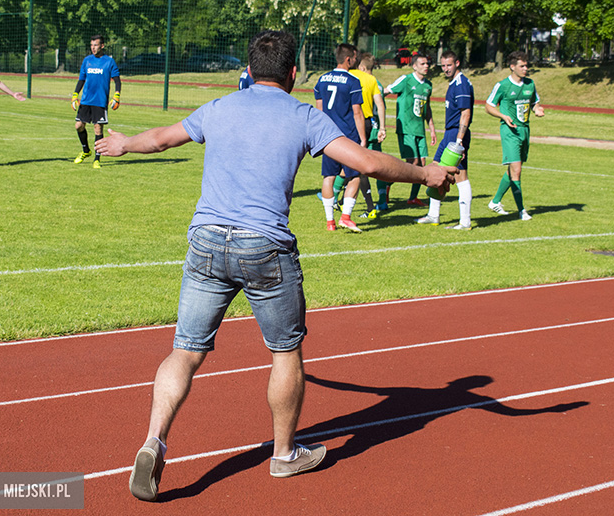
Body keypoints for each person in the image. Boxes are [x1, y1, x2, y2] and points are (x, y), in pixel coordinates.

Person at [94, 29, 456, 502]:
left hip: (206, 242)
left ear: (248, 70)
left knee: (185, 350)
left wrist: (123, 144)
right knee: (285, 353)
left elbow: (162, 139)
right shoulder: (307, 115)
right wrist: (425, 173)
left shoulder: (221, 107)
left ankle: (154, 439)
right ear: (291, 74)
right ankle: (284, 455)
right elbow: (366, 164)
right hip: (264, 248)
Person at [418, 50, 474, 229]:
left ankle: (465, 221)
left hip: (456, 135)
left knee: (461, 176)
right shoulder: (453, 84)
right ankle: (433, 214)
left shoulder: (461, 84)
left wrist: (459, 141)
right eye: (443, 66)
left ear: (457, 63)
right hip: (448, 134)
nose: (446, 69)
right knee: (435, 169)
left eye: (449, 65)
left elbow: (466, 113)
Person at [314, 43, 367, 232]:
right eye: (354, 57)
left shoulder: (321, 79)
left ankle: (330, 222)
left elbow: (319, 110)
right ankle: (346, 216)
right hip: (347, 136)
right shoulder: (352, 81)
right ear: (348, 59)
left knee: (328, 176)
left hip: (328, 135)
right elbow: (357, 112)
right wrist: (363, 139)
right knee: (355, 176)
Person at [484, 51, 544, 221]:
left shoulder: (530, 85)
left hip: (525, 131)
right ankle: (522, 211)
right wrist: (502, 116)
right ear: (512, 67)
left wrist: (537, 109)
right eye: (522, 66)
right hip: (510, 132)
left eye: (527, 66)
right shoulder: (502, 86)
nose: (526, 69)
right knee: (516, 171)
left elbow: (535, 102)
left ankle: (495, 202)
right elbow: (488, 106)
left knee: (515, 169)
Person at [384, 53, 437, 207]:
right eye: (422, 63)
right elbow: (386, 91)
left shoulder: (428, 85)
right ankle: (387, 184)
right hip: (406, 129)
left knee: (421, 165)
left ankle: (413, 197)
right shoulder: (406, 80)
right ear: (414, 66)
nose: (426, 66)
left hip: (420, 130)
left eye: (427, 63)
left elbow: (427, 108)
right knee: (412, 164)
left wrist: (432, 129)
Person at [71, 35, 121, 169]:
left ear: (102, 46)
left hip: (100, 101)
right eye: (92, 45)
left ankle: (97, 159)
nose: (93, 48)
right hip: (86, 100)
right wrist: (75, 95)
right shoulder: (87, 61)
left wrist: (116, 95)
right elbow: (81, 79)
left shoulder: (109, 62)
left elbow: (117, 80)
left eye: (96, 45)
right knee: (79, 126)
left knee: (98, 128)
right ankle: (86, 150)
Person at [350, 52, 387, 218]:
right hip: (373, 126)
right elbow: (381, 105)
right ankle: (382, 199)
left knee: (358, 166)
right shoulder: (376, 82)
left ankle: (334, 196)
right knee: (374, 165)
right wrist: (382, 127)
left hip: (363, 125)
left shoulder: (358, 79)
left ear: (362, 67)